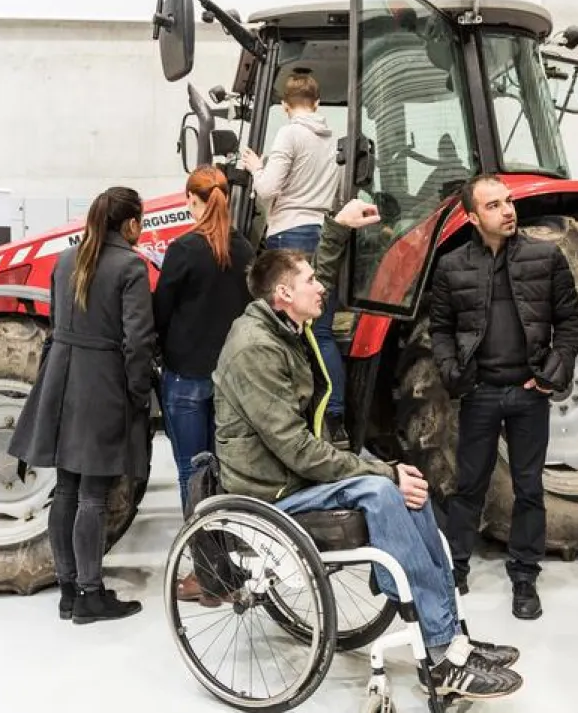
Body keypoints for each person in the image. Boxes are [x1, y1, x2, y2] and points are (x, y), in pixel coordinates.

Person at [212, 197, 524, 700]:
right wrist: (377, 471)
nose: (322, 288)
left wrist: (335, 228)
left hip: (294, 475)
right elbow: (294, 449)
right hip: (270, 490)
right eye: (310, 282)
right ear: (285, 294)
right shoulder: (255, 348)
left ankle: (451, 636)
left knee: (408, 485)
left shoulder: (285, 321)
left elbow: (324, 274)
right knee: (384, 491)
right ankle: (442, 651)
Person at [429, 174, 578, 619]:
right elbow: (441, 328)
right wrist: (451, 371)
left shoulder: (545, 257)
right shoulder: (451, 266)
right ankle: (455, 568)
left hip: (528, 393)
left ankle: (525, 575)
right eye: (494, 205)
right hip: (479, 393)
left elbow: (570, 320)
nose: (508, 210)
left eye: (509, 201)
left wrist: (555, 370)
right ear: (474, 217)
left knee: (529, 487)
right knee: (468, 486)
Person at [9, 186, 156, 625]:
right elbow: (139, 340)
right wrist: (137, 391)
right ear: (129, 223)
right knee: (94, 493)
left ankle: (69, 591)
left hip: (62, 377)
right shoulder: (130, 265)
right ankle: (92, 595)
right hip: (102, 382)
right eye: (140, 221)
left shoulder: (66, 260)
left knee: (68, 489)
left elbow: (56, 323)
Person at [153, 165, 254, 604]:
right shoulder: (245, 249)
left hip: (187, 376)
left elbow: (160, 312)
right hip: (230, 379)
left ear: (192, 201)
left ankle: (207, 577)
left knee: (191, 474)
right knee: (224, 476)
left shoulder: (183, 250)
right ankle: (228, 573)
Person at [240, 73, 347, 442]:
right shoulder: (330, 138)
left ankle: (292, 414)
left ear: (285, 106)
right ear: (317, 103)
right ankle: (333, 415)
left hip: (289, 234)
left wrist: (256, 168)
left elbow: (268, 188)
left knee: (286, 331)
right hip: (322, 232)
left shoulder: (289, 133)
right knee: (323, 330)